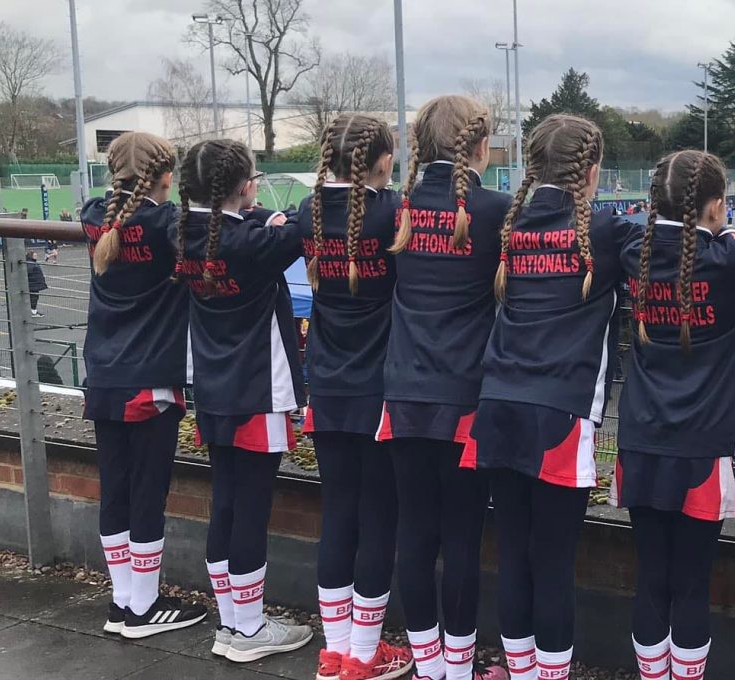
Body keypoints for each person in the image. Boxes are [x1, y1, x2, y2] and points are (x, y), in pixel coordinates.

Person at [471, 114, 640, 680]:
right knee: (553, 561)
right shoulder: (606, 230)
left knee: (514, 554)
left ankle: (522, 672)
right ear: (592, 171)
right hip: (560, 414)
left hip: (495, 405)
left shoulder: (511, 225)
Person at [615, 150, 735, 680]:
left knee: (650, 579)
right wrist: (731, 235)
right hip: (702, 448)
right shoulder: (732, 260)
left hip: (639, 439)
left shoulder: (630, 251)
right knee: (689, 584)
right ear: (714, 206)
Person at [380, 94, 511, 680]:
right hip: (464, 396)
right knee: (460, 536)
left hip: (403, 390)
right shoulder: (498, 210)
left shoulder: (396, 210)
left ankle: (429, 666)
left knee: (415, 530)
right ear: (482, 146)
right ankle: (457, 669)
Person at [174, 138, 315, 662]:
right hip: (259, 387)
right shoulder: (254, 243)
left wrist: (251, 216)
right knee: (251, 508)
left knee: (226, 503)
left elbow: (234, 227)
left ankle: (232, 623)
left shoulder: (181, 230)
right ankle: (250, 629)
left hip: (212, 387)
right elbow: (308, 219)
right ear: (243, 186)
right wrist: (265, 221)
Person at [296, 114, 412, 680]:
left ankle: (335, 651)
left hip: (327, 379)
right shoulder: (392, 212)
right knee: (378, 515)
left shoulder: (307, 210)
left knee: (338, 512)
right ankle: (364, 656)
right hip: (380, 386)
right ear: (383, 161)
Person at [80, 131, 208, 640]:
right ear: (166, 177)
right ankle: (144, 607)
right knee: (147, 492)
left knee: (115, 488)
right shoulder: (164, 224)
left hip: (105, 375)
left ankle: (122, 601)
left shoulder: (94, 215)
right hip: (150, 377)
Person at [25, 251, 46, 317]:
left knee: (33, 297)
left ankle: (32, 311)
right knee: (33, 298)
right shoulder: (30, 264)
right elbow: (28, 273)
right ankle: (33, 312)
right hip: (33, 284)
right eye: (35, 255)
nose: (36, 256)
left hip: (34, 284)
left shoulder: (31, 263)